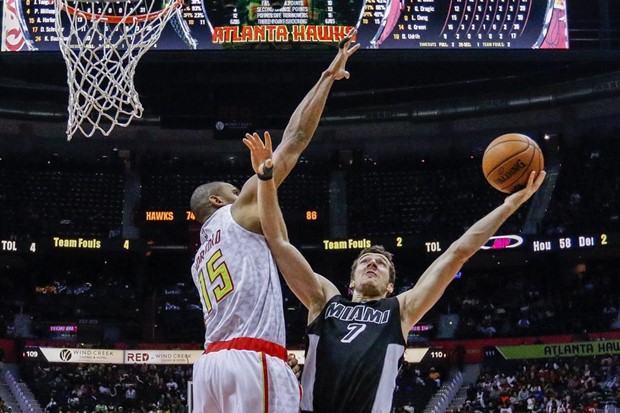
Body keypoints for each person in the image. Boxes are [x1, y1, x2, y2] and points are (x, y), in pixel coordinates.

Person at [243, 132, 546, 413]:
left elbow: (458, 252)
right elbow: (279, 242)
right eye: (365, 262)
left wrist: (509, 205)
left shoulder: (400, 311)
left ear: (390, 286)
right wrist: (266, 178)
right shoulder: (324, 300)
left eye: (381, 264)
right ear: (350, 281)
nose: (372, 264)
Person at [188, 33, 360, 413]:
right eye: (234, 188)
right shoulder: (241, 207)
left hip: (209, 366)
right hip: (253, 357)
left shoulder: (201, 255)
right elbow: (296, 139)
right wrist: (326, 77)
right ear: (217, 200)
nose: (242, 190)